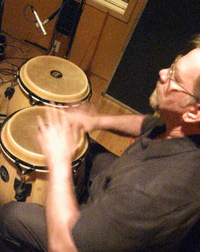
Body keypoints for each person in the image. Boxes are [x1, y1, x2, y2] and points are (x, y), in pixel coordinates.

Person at [1, 37, 200, 251]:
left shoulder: (147, 192)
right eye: (173, 65)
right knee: (88, 148)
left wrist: (60, 164)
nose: (162, 73)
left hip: (80, 240)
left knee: (12, 216)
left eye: (174, 78)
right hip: (119, 191)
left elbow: (65, 247)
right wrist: (95, 121)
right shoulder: (182, 130)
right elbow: (147, 124)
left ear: (193, 112)